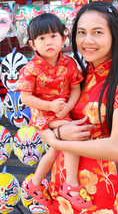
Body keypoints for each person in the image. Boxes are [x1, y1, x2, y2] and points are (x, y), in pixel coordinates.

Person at [37, 1, 118, 214]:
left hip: (95, 193)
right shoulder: (78, 77)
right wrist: (56, 132)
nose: (88, 40)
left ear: (114, 35)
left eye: (97, 32)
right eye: (82, 32)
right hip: (61, 183)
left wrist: (55, 140)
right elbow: (44, 113)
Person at [17, 13, 92, 210]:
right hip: (43, 113)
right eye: (42, 38)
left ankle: (34, 183)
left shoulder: (69, 63)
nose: (48, 42)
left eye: (53, 36)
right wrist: (50, 107)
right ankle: (71, 185)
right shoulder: (30, 68)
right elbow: (25, 98)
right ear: (33, 44)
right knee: (72, 134)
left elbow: (75, 88)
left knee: (55, 148)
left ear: (64, 38)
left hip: (62, 112)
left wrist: (67, 107)